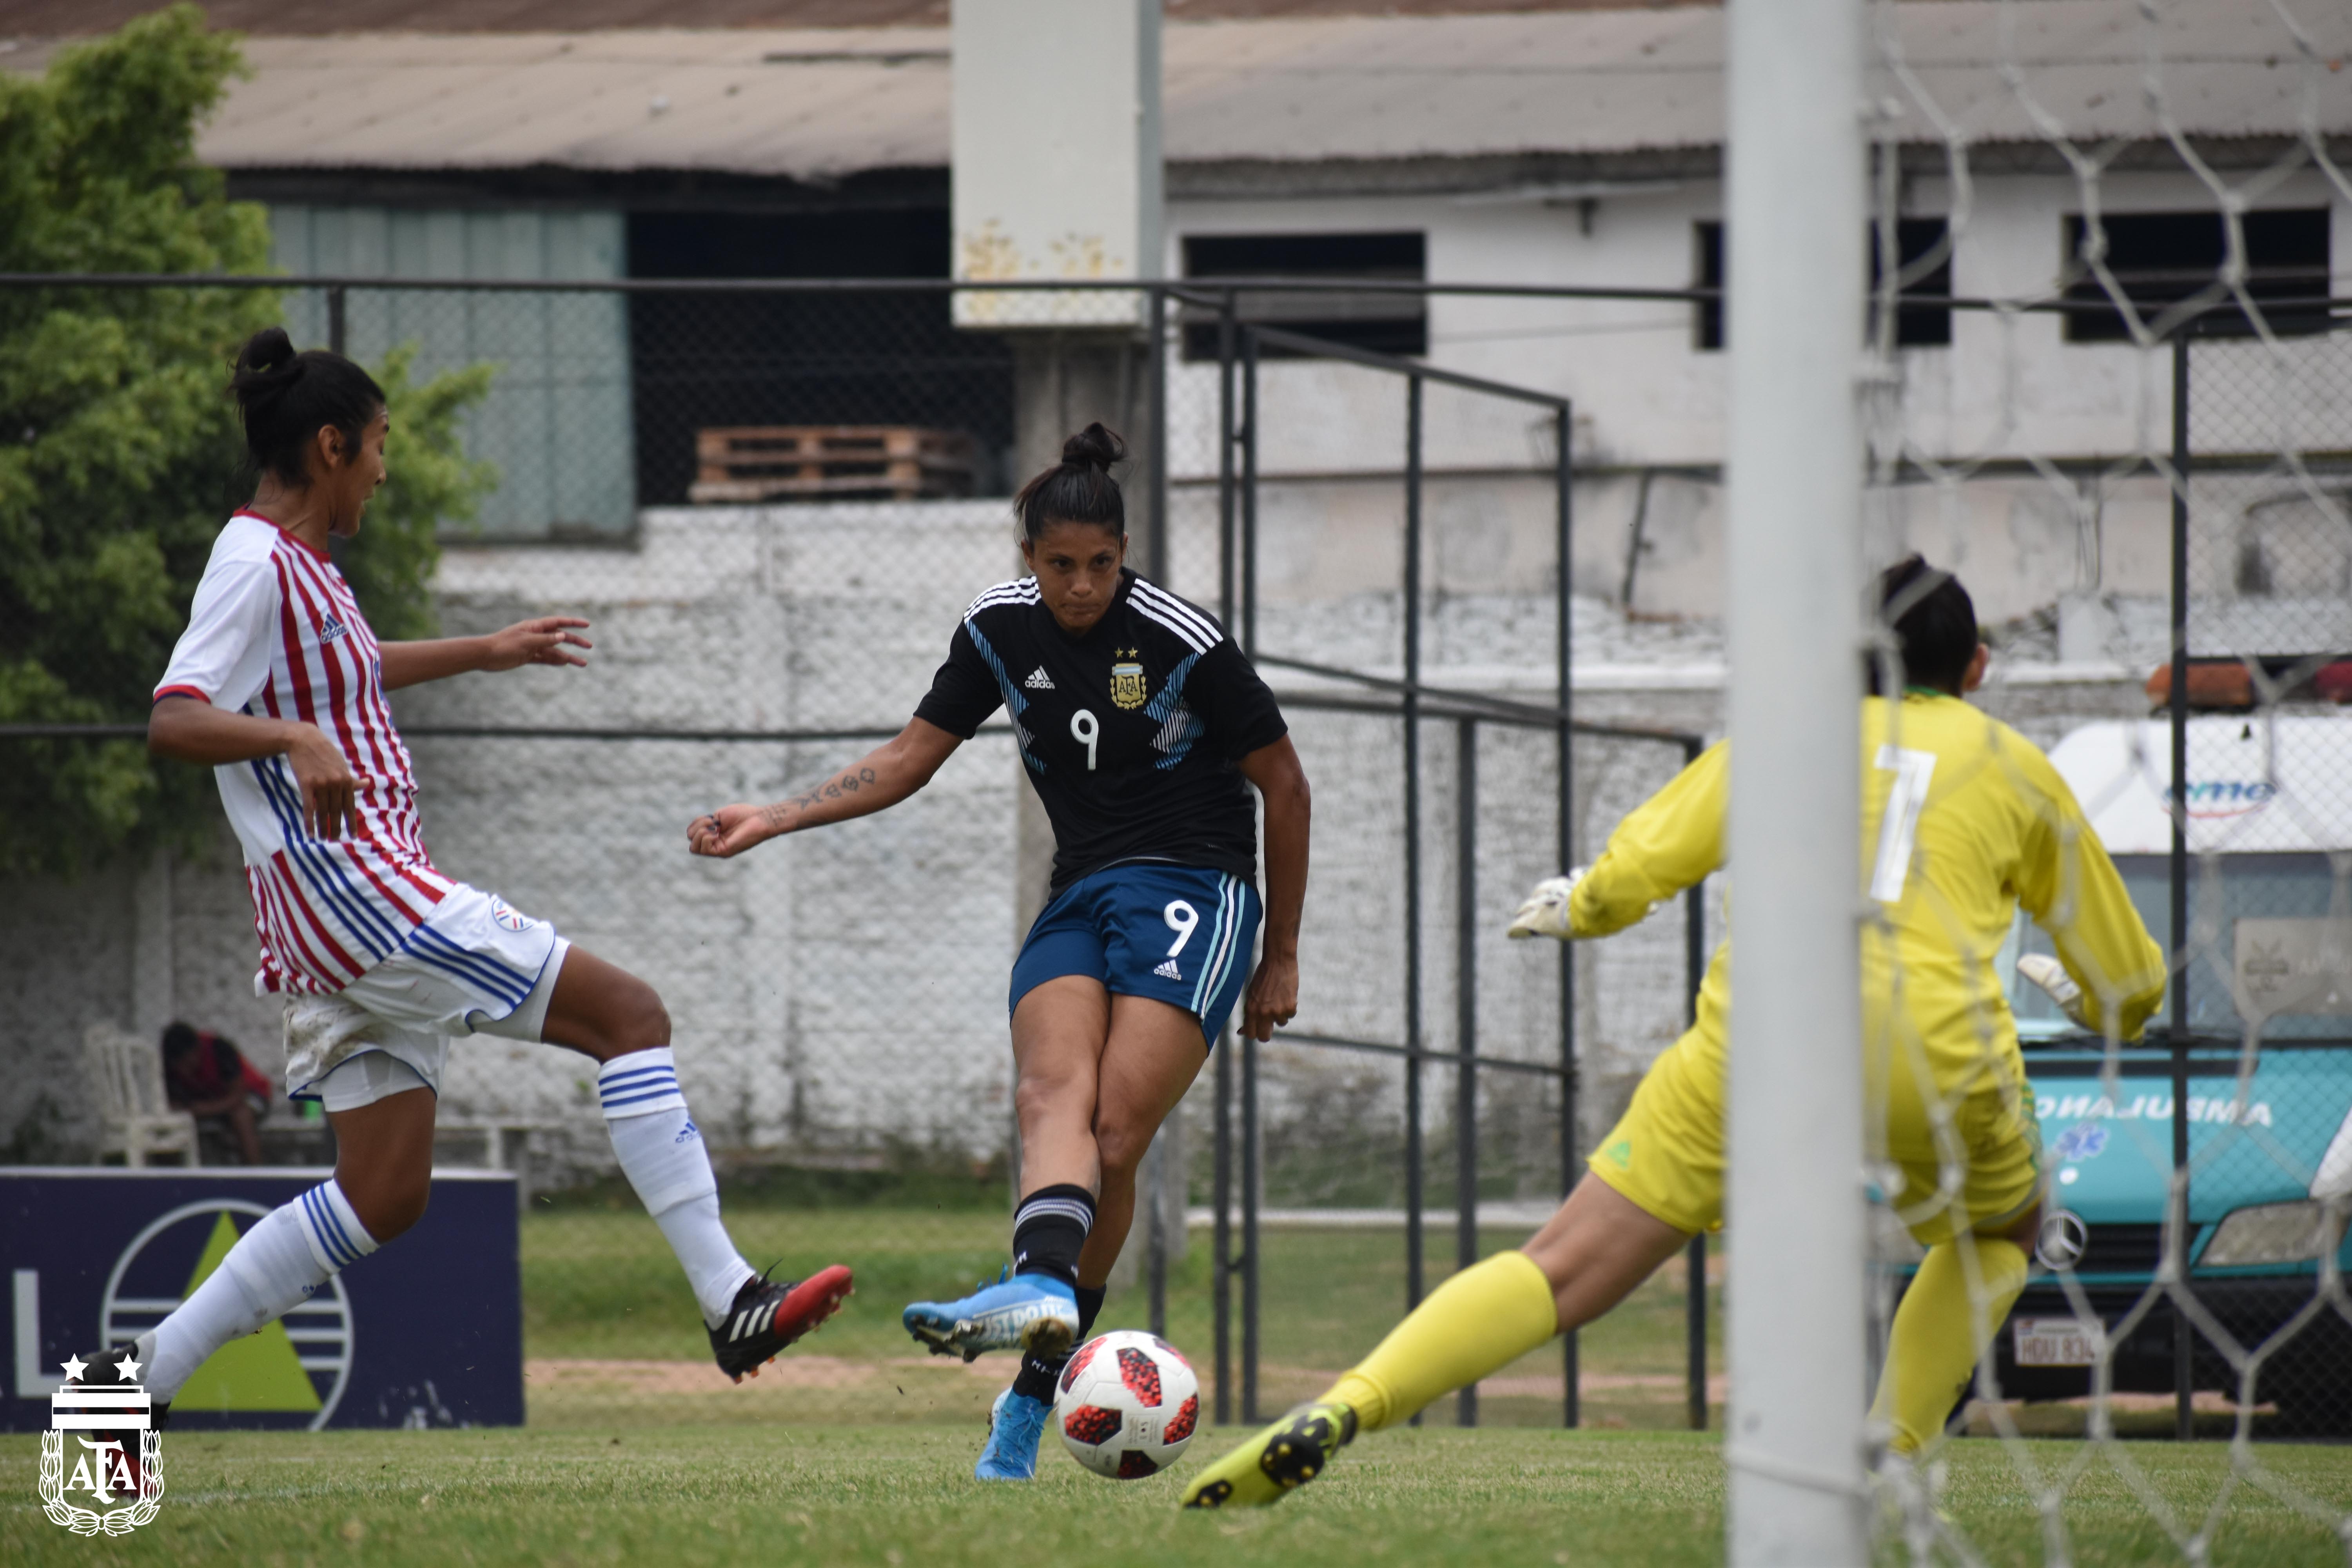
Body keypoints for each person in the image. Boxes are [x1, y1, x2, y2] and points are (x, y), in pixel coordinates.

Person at [1180, 555, 2167, 1508]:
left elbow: (1640, 868)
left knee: (1561, 1264)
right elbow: (2132, 986)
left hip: (1760, 1052)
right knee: (2003, 1230)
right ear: (1978, 667)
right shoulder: (2015, 766)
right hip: (1941, 1061)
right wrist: (2096, 1007)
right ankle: (1889, 1457)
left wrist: (1583, 903)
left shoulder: (1784, 737)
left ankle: (1347, 1405)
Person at [93, 327, 850, 1428]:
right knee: (631, 1016)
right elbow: (174, 717)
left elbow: (350, 672)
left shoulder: (302, 566)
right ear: (332, 443)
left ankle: (130, 1383)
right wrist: (294, 745)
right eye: (381, 449)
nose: (386, 471)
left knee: (383, 1194)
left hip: (329, 923)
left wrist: (482, 650)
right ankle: (731, 1298)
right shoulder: (254, 560)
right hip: (362, 896)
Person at [690, 423, 1311, 1481]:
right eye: (1059, 566)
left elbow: (1286, 785)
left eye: (1100, 566)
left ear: (1125, 554)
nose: (1080, 587)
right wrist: (778, 815)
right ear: (1028, 559)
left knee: (1114, 1132)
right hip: (1080, 891)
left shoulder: (1179, 638)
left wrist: (1282, 952)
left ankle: (1028, 1401)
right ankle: (1036, 1296)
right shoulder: (994, 631)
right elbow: (907, 758)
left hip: (1196, 888)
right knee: (1047, 1101)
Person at [160, 1022, 273, 1165]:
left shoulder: (218, 1049)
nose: (183, 1071)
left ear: (196, 1051)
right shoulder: (170, 1064)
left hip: (251, 1096)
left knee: (240, 1115)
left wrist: (207, 1109)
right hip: (208, 1103)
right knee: (171, 1123)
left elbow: (239, 1094)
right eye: (178, 1066)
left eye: (186, 1064)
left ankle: (256, 1174)